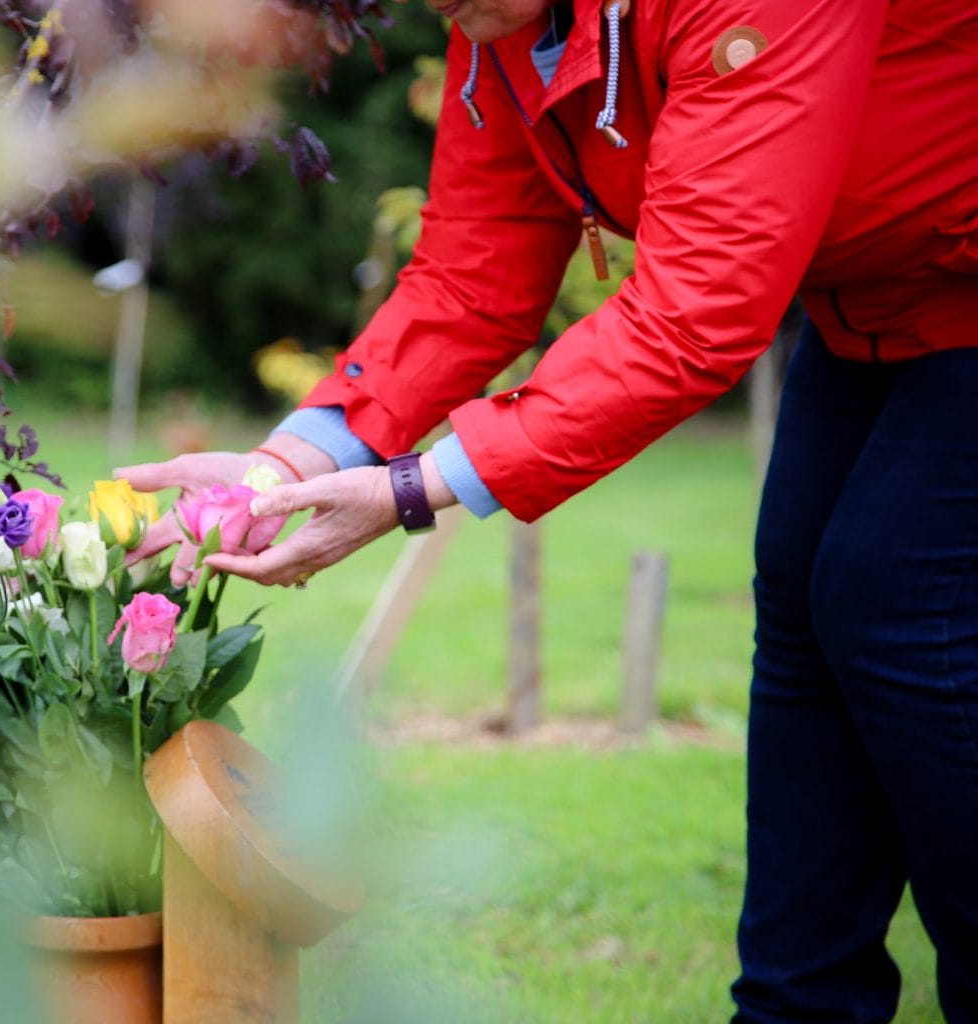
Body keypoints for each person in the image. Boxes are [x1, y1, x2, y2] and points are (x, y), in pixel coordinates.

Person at [119, 0, 978, 1020]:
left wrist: (411, 489)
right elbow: (471, 275)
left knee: (893, 605)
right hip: (871, 307)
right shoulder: (503, 28)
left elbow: (696, 312)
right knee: (803, 608)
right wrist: (278, 467)